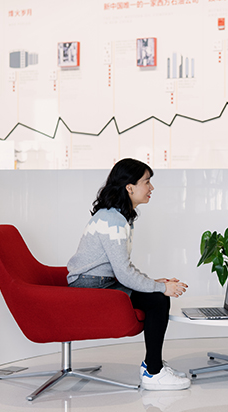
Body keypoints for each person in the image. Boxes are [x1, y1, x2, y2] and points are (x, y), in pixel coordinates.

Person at [67, 158, 191, 391]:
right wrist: (161, 288)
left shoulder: (117, 216)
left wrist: (153, 282)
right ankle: (153, 372)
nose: (151, 188)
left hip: (101, 282)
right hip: (90, 286)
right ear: (129, 187)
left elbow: (122, 268)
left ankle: (152, 366)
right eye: (147, 182)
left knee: (155, 295)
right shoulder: (113, 220)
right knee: (157, 299)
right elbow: (123, 272)